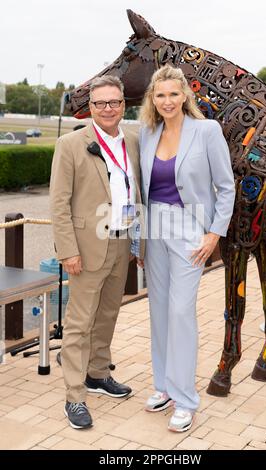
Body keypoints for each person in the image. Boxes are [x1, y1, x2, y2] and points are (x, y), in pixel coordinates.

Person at [138, 64, 235, 432]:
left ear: (185, 96)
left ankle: (186, 399)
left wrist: (214, 234)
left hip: (190, 229)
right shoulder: (148, 133)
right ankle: (163, 386)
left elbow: (226, 188)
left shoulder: (206, 131)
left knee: (180, 312)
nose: (167, 101)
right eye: (160, 95)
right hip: (154, 228)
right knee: (159, 310)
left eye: (173, 94)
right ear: (153, 99)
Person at [50, 75, 144, 429]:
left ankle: (98, 374)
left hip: (121, 240)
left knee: (107, 315)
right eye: (101, 103)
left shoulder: (132, 140)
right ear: (90, 108)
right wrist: (67, 251)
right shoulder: (71, 144)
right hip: (86, 249)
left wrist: (140, 241)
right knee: (79, 323)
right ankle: (74, 395)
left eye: (115, 102)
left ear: (123, 106)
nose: (108, 109)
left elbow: (138, 191)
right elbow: (58, 203)